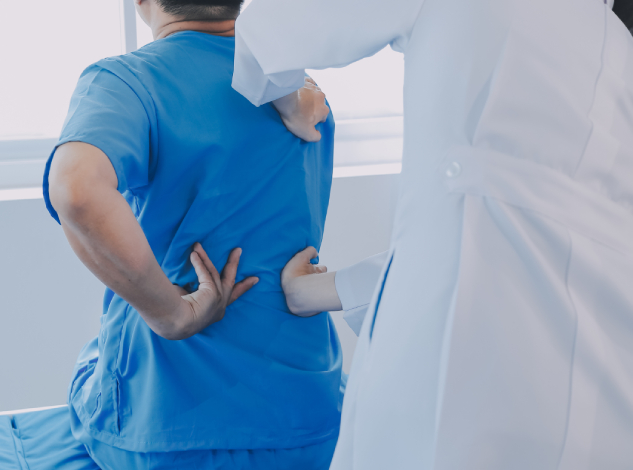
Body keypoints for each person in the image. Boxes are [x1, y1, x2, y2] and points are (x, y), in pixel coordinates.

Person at [231, 0, 633, 469]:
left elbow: (267, 34)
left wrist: (293, 102)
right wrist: (316, 291)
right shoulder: (616, 50)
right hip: (606, 401)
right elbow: (502, 222)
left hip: (466, 385)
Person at [42, 0, 342, 468]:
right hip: (309, 428)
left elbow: (76, 189)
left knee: (93, 363)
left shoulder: (126, 82)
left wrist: (169, 314)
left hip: (165, 438)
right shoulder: (304, 98)